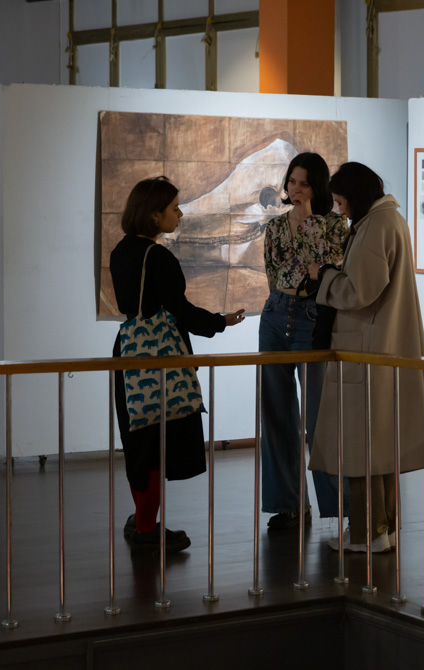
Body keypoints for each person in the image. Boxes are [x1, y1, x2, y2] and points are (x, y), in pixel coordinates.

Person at [307, 162, 424, 553]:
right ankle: (382, 530)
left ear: (356, 195)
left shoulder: (374, 227)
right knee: (379, 446)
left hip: (366, 349)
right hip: (381, 346)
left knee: (360, 448)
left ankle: (367, 534)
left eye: (341, 202)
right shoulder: (390, 220)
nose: (340, 210)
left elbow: (359, 291)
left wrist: (323, 275)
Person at [110, 176, 245, 554]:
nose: (180, 214)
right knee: (154, 445)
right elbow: (180, 311)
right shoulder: (158, 257)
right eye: (174, 208)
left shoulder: (121, 251)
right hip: (159, 358)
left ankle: (143, 520)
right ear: (154, 215)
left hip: (129, 350)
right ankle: (147, 529)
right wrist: (220, 322)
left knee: (138, 440)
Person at [259, 152, 349, 530]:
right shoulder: (275, 227)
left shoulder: (335, 225)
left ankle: (340, 508)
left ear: (318, 187)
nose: (296, 189)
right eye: (292, 182)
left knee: (320, 418)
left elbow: (323, 269)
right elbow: (272, 272)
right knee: (277, 415)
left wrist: (308, 221)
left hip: (312, 319)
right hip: (275, 314)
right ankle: (290, 505)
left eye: (305, 184)